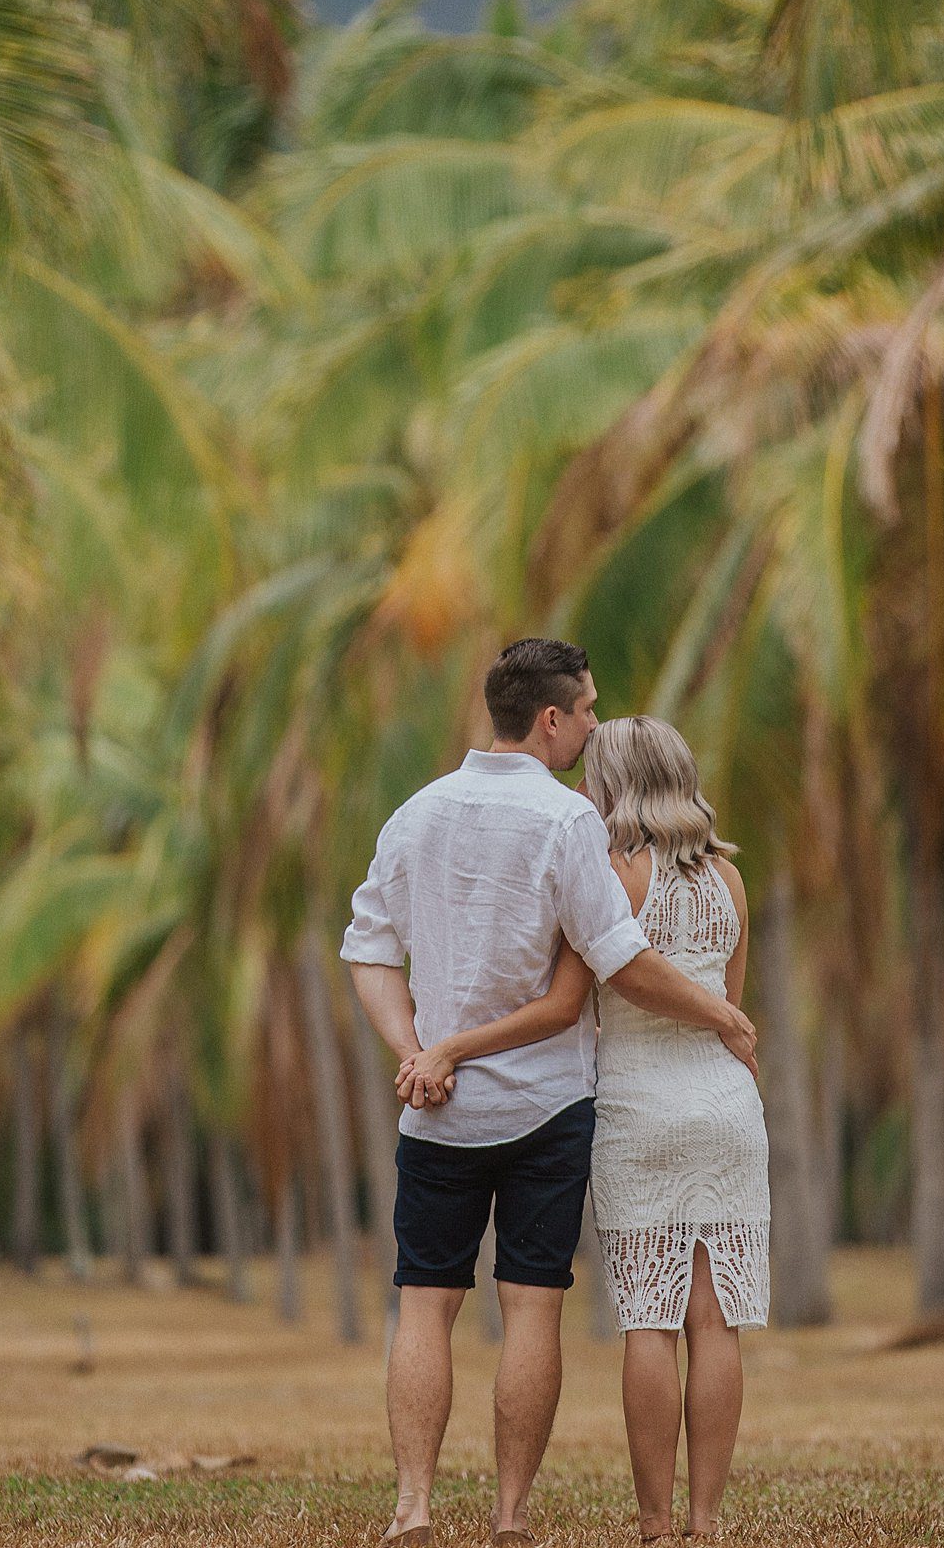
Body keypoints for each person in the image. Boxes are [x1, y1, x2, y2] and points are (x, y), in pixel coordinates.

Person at [342, 640, 758, 1548]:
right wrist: (723, 1016)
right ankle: (512, 1516)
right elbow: (618, 964)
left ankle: (412, 1506)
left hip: (440, 1109)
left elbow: (369, 950)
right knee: (531, 1303)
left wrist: (419, 1053)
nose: (597, 725)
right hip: (548, 1107)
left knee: (424, 1299)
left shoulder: (415, 813)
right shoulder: (571, 823)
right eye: (590, 709)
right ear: (552, 720)